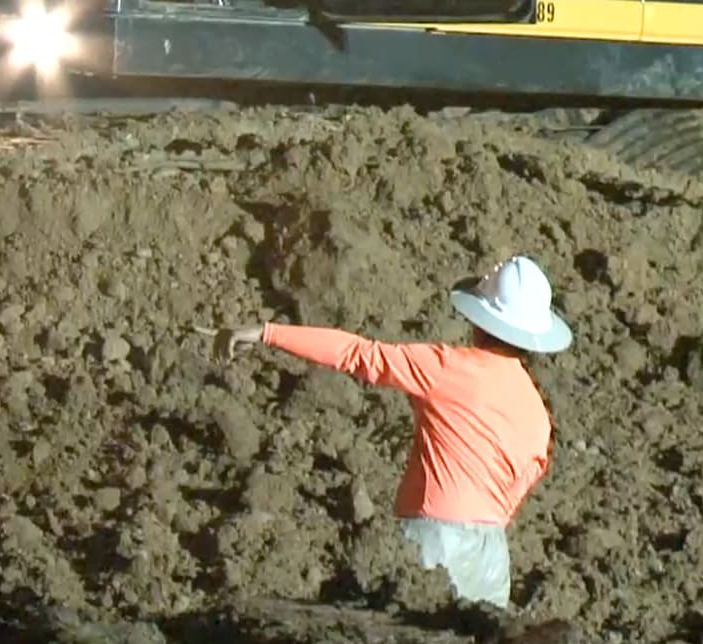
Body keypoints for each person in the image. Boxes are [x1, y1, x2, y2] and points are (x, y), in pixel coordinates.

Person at [212, 254, 572, 610]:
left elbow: (358, 354)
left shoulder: (444, 368)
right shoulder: (537, 412)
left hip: (434, 541)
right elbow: (527, 474)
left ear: (480, 321)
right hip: (491, 554)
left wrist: (268, 332)